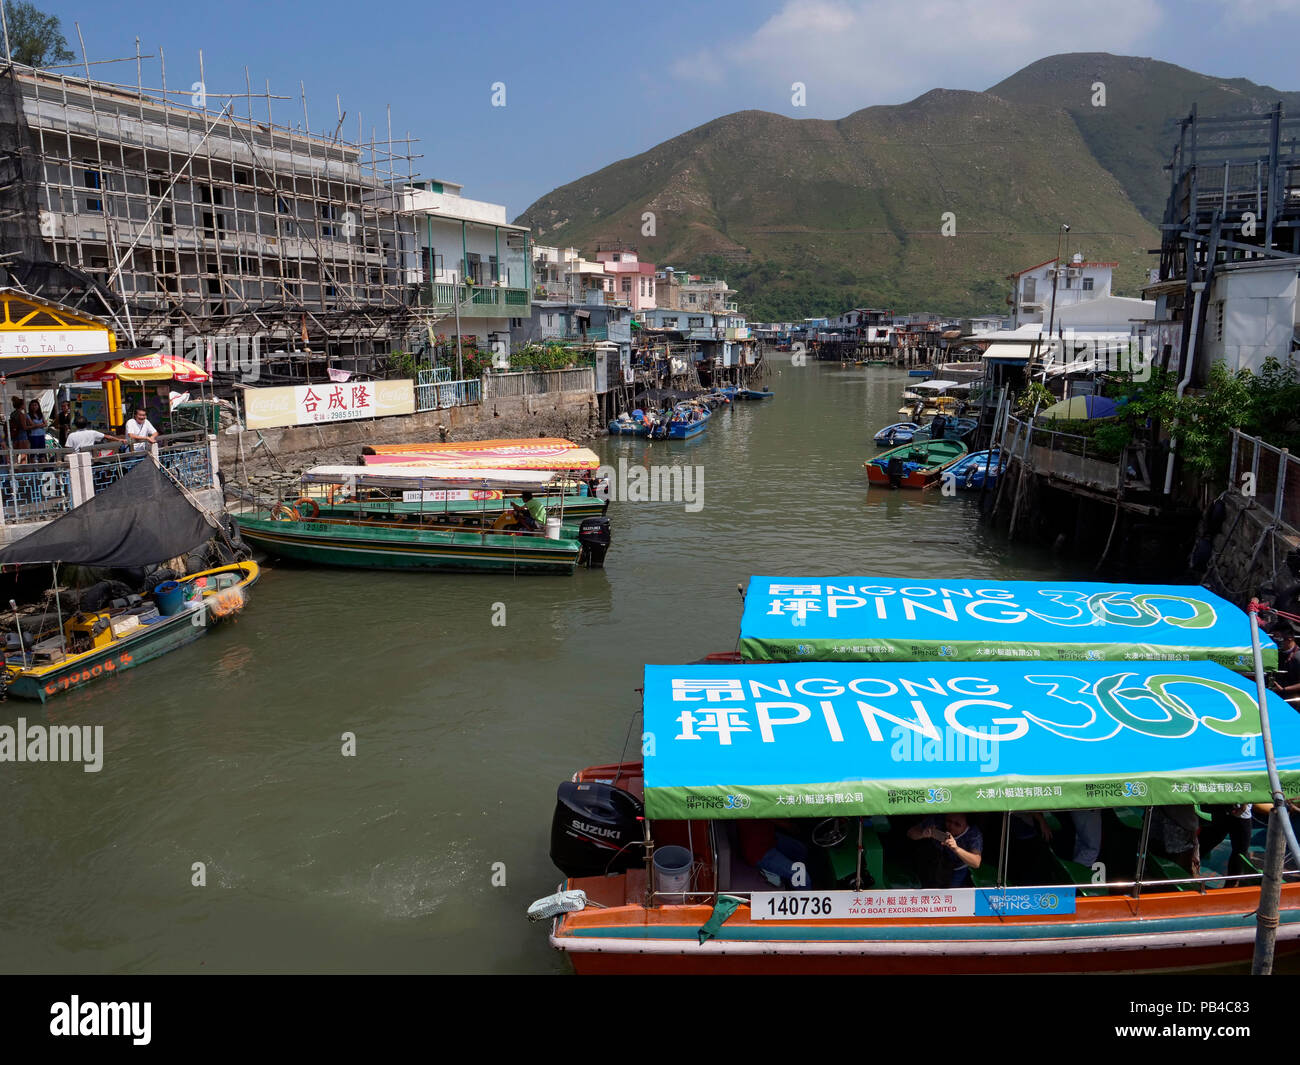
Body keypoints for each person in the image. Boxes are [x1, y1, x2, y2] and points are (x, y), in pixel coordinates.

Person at [908, 812, 983, 888]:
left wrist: (956, 848)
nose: (951, 826)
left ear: (967, 825)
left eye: (957, 824)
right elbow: (910, 833)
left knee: (951, 894)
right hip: (934, 863)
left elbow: (976, 862)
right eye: (949, 821)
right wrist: (922, 834)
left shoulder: (973, 834)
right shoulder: (937, 820)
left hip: (958, 868)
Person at [1268, 621, 1300, 703]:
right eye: (1274, 638)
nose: (1276, 641)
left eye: (1279, 638)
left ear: (1290, 638)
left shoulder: (1297, 657)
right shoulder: (1278, 654)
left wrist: (1284, 689)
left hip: (1294, 702)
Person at [8, 395, 30, 461]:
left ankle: (16, 470)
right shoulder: (21, 414)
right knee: (23, 455)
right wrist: (35, 426)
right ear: (21, 405)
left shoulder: (12, 414)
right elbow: (24, 427)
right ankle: (23, 470)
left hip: (14, 435)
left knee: (16, 455)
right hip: (22, 436)